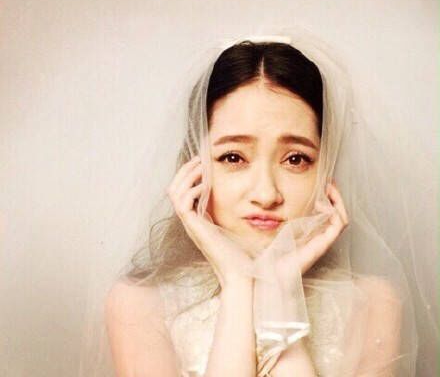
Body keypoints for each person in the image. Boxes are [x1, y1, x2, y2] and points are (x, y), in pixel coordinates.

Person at [95, 29, 435, 376]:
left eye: (295, 159)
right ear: (194, 167)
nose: (266, 194)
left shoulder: (374, 303)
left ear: (326, 169)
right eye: (233, 157)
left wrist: (279, 290)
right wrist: (238, 283)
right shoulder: (140, 305)